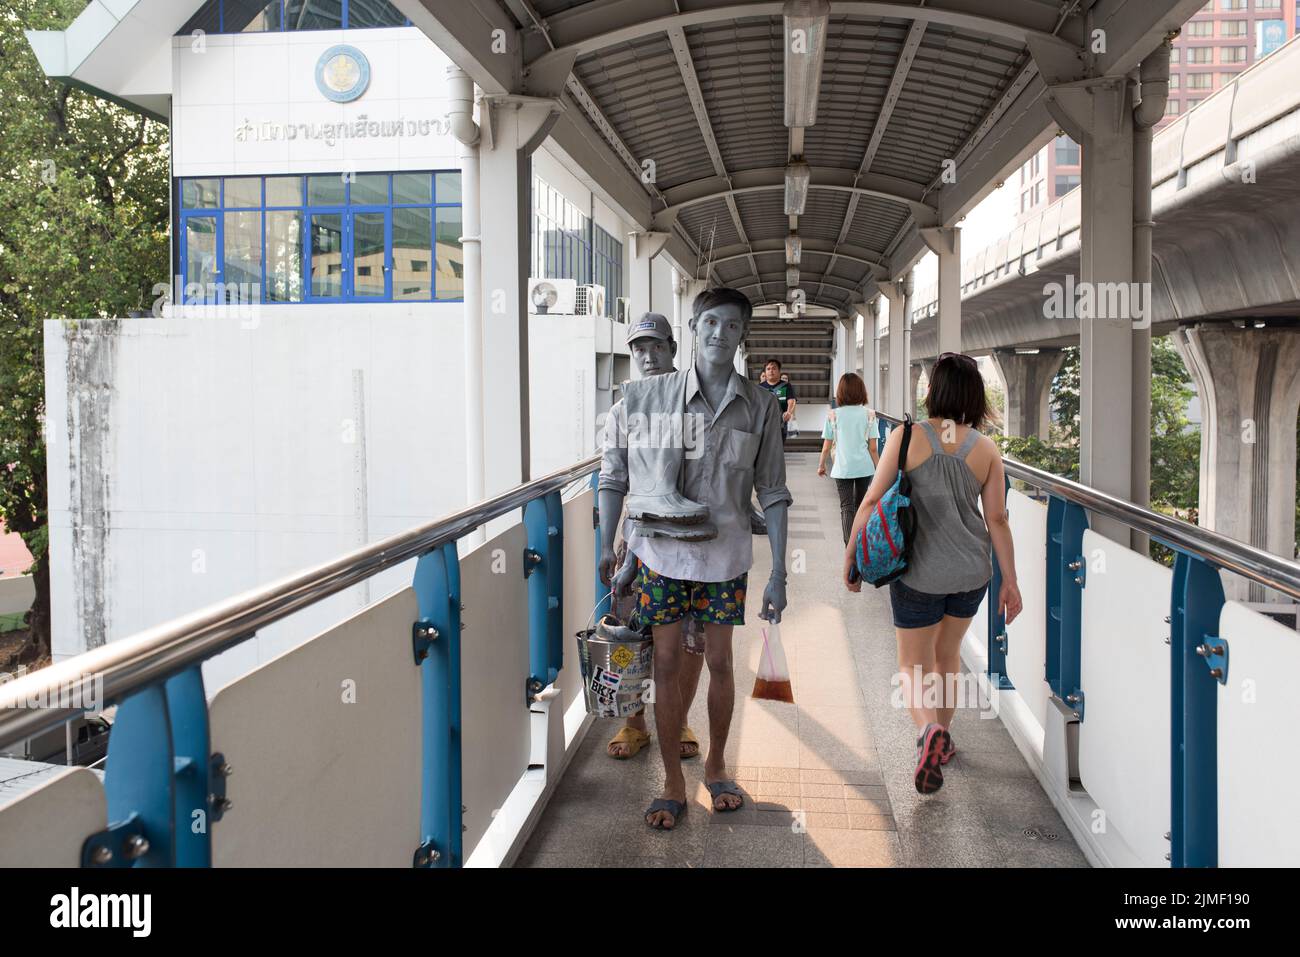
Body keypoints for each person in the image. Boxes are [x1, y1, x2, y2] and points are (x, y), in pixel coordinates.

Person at [598, 288, 792, 830]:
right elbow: (623, 476)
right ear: (692, 327)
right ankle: (671, 782)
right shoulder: (650, 398)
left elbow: (773, 492)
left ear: (741, 335)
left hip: (726, 559)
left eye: (731, 326)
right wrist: (618, 549)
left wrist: (778, 572)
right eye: (709, 322)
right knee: (663, 666)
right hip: (661, 556)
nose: (719, 334)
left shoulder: (759, 405)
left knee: (722, 664)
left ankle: (715, 765)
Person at [842, 352, 1022, 795]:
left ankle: (927, 732)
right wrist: (1011, 582)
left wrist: (851, 557)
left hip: (918, 572)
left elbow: (869, 502)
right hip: (970, 573)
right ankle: (943, 740)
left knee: (911, 663)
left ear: (932, 391)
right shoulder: (985, 448)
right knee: (948, 657)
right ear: (975, 397)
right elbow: (997, 519)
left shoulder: (907, 436)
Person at [598, 313, 705, 762]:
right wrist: (607, 542)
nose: (647, 356)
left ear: (673, 349)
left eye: (656, 346)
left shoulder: (693, 406)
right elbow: (611, 477)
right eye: (639, 349)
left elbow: (704, 475)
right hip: (637, 541)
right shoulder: (622, 411)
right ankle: (634, 721)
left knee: (691, 633)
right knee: (632, 631)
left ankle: (678, 717)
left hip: (690, 538)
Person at [817, 373, 879, 545]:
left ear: (841, 392)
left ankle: (848, 545)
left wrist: (821, 466)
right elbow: (873, 448)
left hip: (842, 468)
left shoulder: (833, 415)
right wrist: (880, 469)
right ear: (861, 391)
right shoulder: (869, 415)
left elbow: (827, 446)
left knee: (846, 506)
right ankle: (861, 544)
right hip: (864, 467)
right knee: (861, 505)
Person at [758, 359, 796, 440]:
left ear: (779, 371)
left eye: (774, 368)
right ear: (765, 372)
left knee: (778, 447)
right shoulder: (760, 387)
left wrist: (789, 412)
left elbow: (791, 401)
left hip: (780, 423)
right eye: (768, 369)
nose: (771, 371)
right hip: (763, 423)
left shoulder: (786, 386)